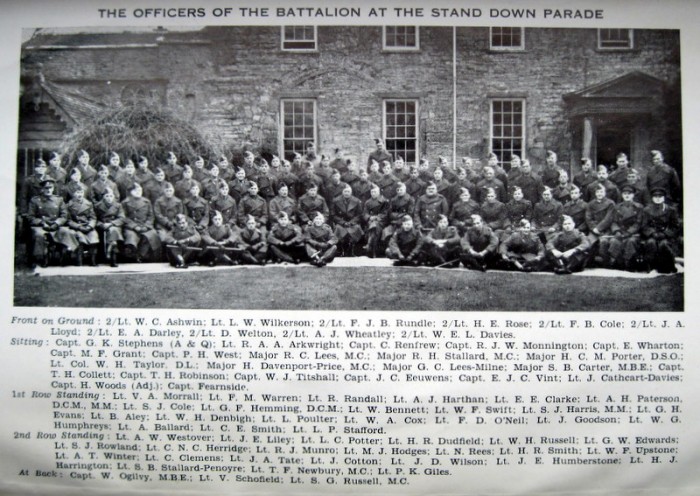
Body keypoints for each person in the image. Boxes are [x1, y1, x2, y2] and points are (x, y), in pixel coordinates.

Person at [27, 179, 78, 268]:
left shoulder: (59, 200)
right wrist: (42, 223)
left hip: (56, 225)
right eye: (46, 188)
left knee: (67, 232)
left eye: (50, 188)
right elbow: (30, 217)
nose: (48, 190)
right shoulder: (35, 200)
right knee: (38, 235)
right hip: (41, 226)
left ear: (53, 189)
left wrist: (57, 223)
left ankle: (65, 255)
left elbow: (64, 216)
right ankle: (40, 258)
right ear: (42, 189)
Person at [641, 188, 680, 273]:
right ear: (652, 198)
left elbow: (675, 226)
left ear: (664, 198)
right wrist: (652, 233)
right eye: (655, 196)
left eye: (660, 196)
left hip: (666, 236)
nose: (658, 198)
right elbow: (644, 225)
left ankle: (668, 266)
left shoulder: (670, 210)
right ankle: (650, 267)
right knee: (651, 243)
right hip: (653, 235)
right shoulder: (647, 210)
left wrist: (666, 233)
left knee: (664, 244)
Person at [606, 185, 644, 270]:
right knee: (614, 241)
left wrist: (629, 232)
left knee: (631, 241)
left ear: (633, 195)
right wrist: (616, 231)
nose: (627, 196)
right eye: (625, 194)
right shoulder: (617, 207)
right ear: (622, 195)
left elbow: (638, 223)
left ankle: (628, 262)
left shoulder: (639, 207)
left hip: (633, 233)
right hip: (620, 232)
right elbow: (614, 222)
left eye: (629, 194)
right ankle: (616, 262)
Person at [122, 182, 161, 262]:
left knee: (152, 235)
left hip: (145, 226)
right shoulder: (125, 202)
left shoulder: (147, 201)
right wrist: (134, 226)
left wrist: (146, 226)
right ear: (131, 192)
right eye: (136, 190)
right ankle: (131, 255)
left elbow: (151, 216)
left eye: (140, 190)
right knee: (131, 236)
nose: (139, 192)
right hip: (131, 227)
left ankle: (141, 256)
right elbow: (123, 217)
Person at [65, 185, 99, 266]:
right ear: (74, 194)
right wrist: (78, 227)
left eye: (81, 192)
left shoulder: (88, 204)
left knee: (94, 236)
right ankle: (79, 259)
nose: (80, 194)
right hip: (76, 227)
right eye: (77, 192)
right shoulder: (69, 205)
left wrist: (90, 226)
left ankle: (92, 259)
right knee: (80, 238)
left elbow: (93, 217)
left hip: (87, 226)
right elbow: (68, 220)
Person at [94, 187, 124, 267]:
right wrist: (101, 224)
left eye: (111, 196)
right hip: (101, 226)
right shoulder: (97, 206)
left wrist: (111, 223)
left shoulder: (118, 205)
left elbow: (121, 218)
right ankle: (111, 255)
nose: (109, 198)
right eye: (107, 196)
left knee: (112, 231)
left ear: (114, 196)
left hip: (114, 225)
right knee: (110, 233)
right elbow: (94, 218)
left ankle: (111, 255)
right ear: (103, 197)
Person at [331, 184, 363, 257]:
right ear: (342, 192)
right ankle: (341, 250)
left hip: (352, 222)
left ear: (351, 192)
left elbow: (359, 215)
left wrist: (351, 222)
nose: (346, 193)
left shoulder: (356, 201)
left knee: (357, 228)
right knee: (338, 229)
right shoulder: (336, 200)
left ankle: (351, 250)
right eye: (345, 191)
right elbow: (333, 215)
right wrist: (343, 222)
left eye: (348, 191)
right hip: (341, 222)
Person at [361, 183, 388, 258]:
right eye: (372, 192)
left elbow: (385, 213)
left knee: (375, 226)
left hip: (381, 221)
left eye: (375, 192)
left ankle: (369, 246)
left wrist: (376, 217)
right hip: (370, 221)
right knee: (374, 227)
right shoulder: (367, 202)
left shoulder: (384, 201)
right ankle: (373, 251)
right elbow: (364, 213)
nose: (373, 194)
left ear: (379, 192)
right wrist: (369, 217)